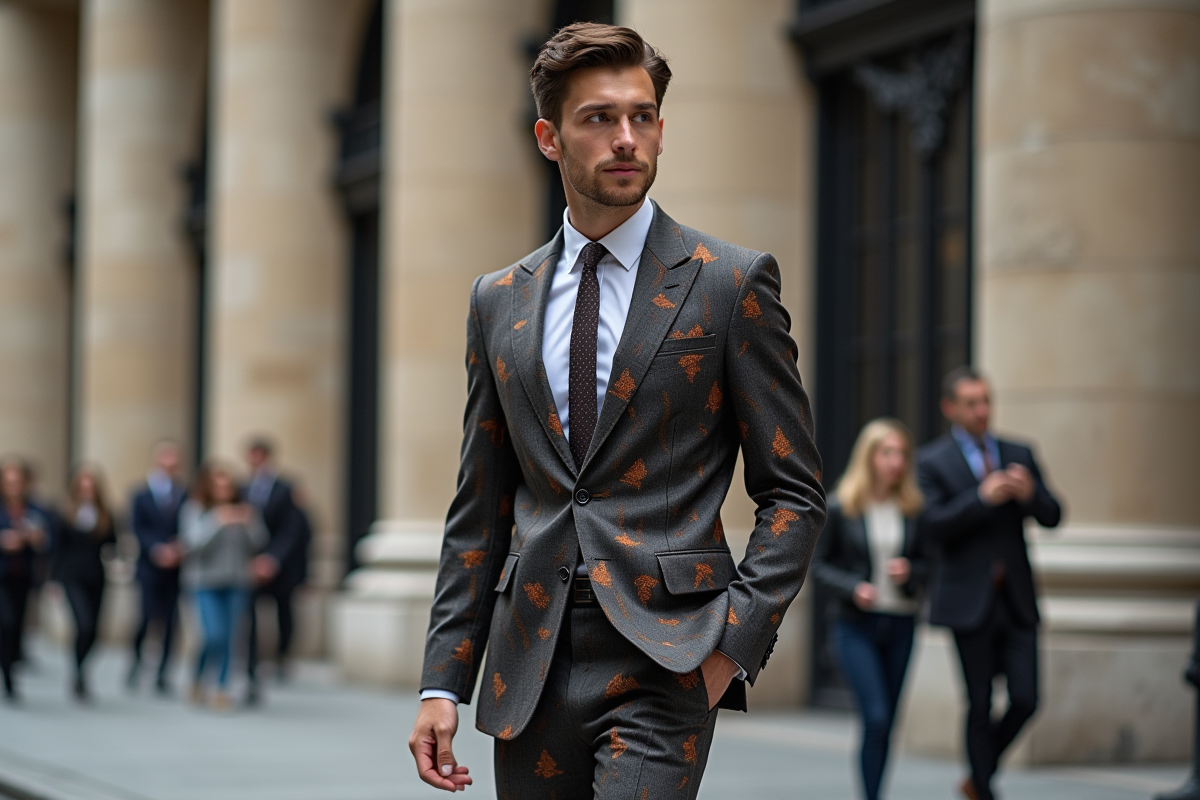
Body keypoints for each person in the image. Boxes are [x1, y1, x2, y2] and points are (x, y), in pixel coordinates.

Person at [408, 23, 825, 798]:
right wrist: (442, 682)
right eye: (599, 118)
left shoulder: (728, 284)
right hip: (529, 661)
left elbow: (794, 492)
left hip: (666, 661)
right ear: (549, 136)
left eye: (642, 117)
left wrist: (728, 647)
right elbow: (480, 505)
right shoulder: (499, 300)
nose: (626, 138)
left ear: (662, 130)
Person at [917, 367, 1063, 800]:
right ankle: (983, 787)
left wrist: (1030, 493)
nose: (982, 411)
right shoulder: (932, 461)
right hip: (968, 601)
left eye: (986, 401)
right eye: (971, 403)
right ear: (951, 409)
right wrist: (980, 499)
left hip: (1016, 599)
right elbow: (931, 525)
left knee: (1026, 698)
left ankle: (978, 776)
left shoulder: (1019, 452)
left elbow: (1054, 515)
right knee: (979, 703)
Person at [813, 419, 928, 800]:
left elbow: (932, 564)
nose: (896, 462)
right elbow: (817, 566)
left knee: (887, 723)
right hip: (855, 625)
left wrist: (911, 572)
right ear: (869, 457)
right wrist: (853, 588)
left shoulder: (912, 508)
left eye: (902, 454)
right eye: (887, 452)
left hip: (901, 622)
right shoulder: (843, 506)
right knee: (875, 717)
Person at [180, 462, 267, 712]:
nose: (223, 488)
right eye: (218, 483)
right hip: (204, 582)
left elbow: (259, 542)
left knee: (231, 637)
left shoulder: (245, 510)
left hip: (237, 581)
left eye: (228, 483)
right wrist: (216, 521)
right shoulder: (195, 509)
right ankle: (197, 676)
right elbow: (192, 544)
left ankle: (221, 688)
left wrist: (248, 523)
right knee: (212, 634)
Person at [242, 437, 311, 703]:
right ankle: (253, 662)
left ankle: (282, 654)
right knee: (249, 616)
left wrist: (272, 559)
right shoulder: (241, 487)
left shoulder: (286, 488)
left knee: (284, 613)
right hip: (249, 567)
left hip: (280, 567)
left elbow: (293, 529)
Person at [52, 464, 116, 703]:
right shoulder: (65, 513)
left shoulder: (105, 514)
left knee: (95, 632)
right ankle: (77, 672)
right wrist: (53, 580)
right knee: (84, 624)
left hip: (97, 577)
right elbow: (57, 549)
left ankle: (82, 670)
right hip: (72, 576)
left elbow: (112, 545)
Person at [128, 440, 187, 694]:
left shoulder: (186, 493)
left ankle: (164, 673)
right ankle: (137, 662)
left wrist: (179, 548)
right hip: (150, 568)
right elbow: (137, 527)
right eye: (166, 457)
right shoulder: (140, 494)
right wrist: (156, 549)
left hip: (177, 568)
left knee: (172, 623)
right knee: (146, 619)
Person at [0, 458, 52, 702]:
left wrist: (35, 538)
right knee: (7, 622)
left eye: (17, 481)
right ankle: (7, 672)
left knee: (17, 625)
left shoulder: (36, 508)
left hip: (23, 576)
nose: (13, 486)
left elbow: (49, 541)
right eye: (9, 481)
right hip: (1, 574)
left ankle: (9, 674)